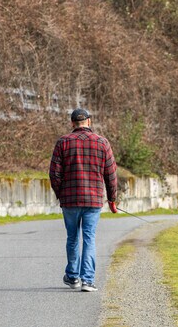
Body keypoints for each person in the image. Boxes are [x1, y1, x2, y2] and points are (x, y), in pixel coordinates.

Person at [49, 108, 118, 292]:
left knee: (72, 238)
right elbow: (111, 174)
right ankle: (87, 280)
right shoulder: (102, 143)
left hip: (70, 200)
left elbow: (54, 174)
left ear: (72, 123)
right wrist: (112, 199)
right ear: (89, 122)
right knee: (89, 239)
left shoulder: (63, 143)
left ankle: (73, 278)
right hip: (93, 200)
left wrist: (61, 193)